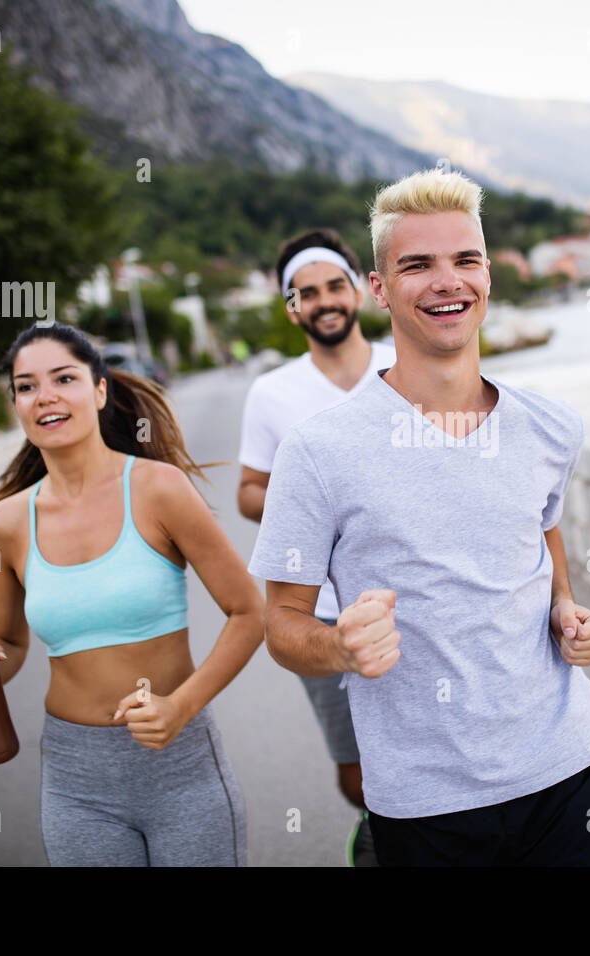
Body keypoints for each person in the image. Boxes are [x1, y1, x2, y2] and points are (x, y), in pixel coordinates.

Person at [248, 169, 590, 866]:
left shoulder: (551, 427)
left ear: (488, 273)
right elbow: (281, 624)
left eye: (465, 260)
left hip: (568, 770)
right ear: (380, 287)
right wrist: (339, 648)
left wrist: (567, 610)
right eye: (417, 265)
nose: (447, 281)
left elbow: (543, 537)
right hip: (424, 801)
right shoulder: (317, 450)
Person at [0, 322, 264, 866]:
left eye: (63, 378)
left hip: (181, 768)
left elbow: (248, 611)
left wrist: (180, 708)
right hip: (76, 781)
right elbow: (8, 643)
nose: (44, 396)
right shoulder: (7, 524)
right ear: (17, 406)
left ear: (98, 391)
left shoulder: (160, 489)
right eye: (25, 386)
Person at [237, 227, 395, 865]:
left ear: (359, 289)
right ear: (291, 308)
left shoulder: (403, 364)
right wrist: (308, 504)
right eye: (308, 292)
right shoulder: (272, 393)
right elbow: (249, 491)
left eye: (336, 285)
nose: (325, 300)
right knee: (357, 769)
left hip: (422, 594)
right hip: (325, 610)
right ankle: (377, 831)